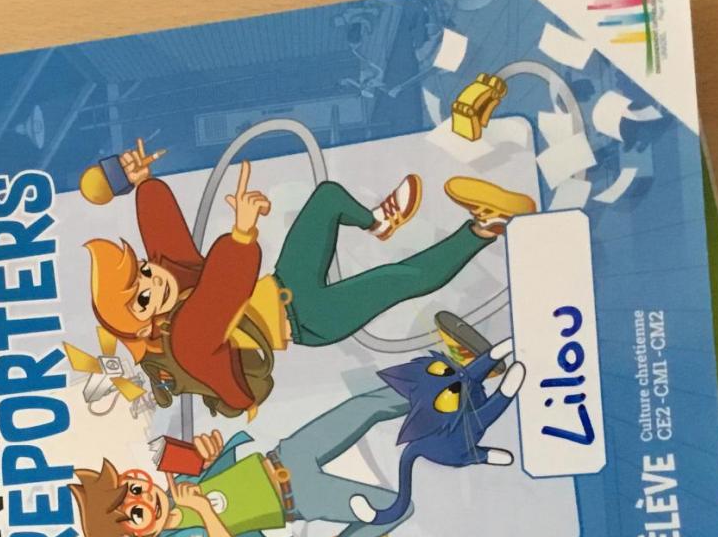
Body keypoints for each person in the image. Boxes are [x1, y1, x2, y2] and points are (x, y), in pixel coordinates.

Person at [82, 140, 534, 415]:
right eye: (141, 299)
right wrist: (242, 234)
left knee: (327, 199)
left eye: (143, 273)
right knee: (399, 278)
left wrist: (140, 182)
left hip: (285, 284)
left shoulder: (170, 284)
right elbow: (220, 295)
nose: (152, 282)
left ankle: (378, 223)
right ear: (145, 324)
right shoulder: (186, 340)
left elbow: (164, 239)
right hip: (309, 320)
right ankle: (485, 227)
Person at [69, 385, 421, 537]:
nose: (144, 497)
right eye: (136, 513)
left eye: (134, 488)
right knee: (397, 507)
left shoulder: (177, 482)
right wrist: (205, 512)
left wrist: (208, 452)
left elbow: (212, 459)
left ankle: (430, 382)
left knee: (362, 407)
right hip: (300, 498)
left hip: (286, 456)